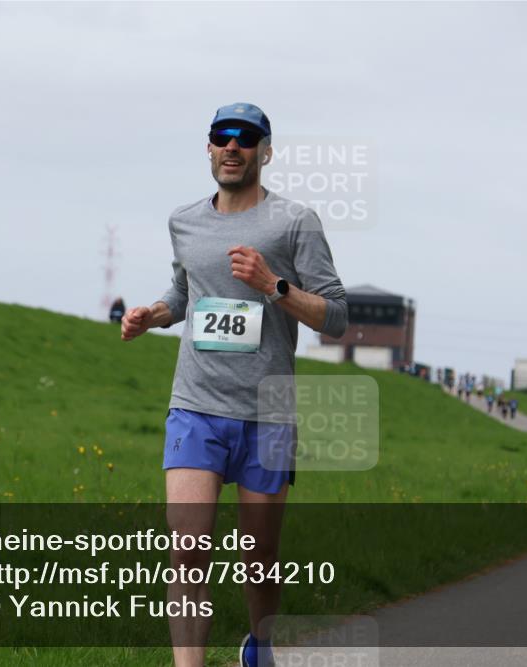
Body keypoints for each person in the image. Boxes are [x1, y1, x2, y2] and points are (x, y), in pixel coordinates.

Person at [121, 103, 347, 667]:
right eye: (222, 136)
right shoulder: (184, 222)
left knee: (260, 557)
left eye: (245, 138)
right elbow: (185, 293)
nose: (232, 146)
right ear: (208, 147)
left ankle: (260, 646)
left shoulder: (295, 222)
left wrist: (275, 286)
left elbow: (337, 316)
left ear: (264, 152)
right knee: (186, 551)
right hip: (196, 406)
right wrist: (153, 315)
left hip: (268, 414)